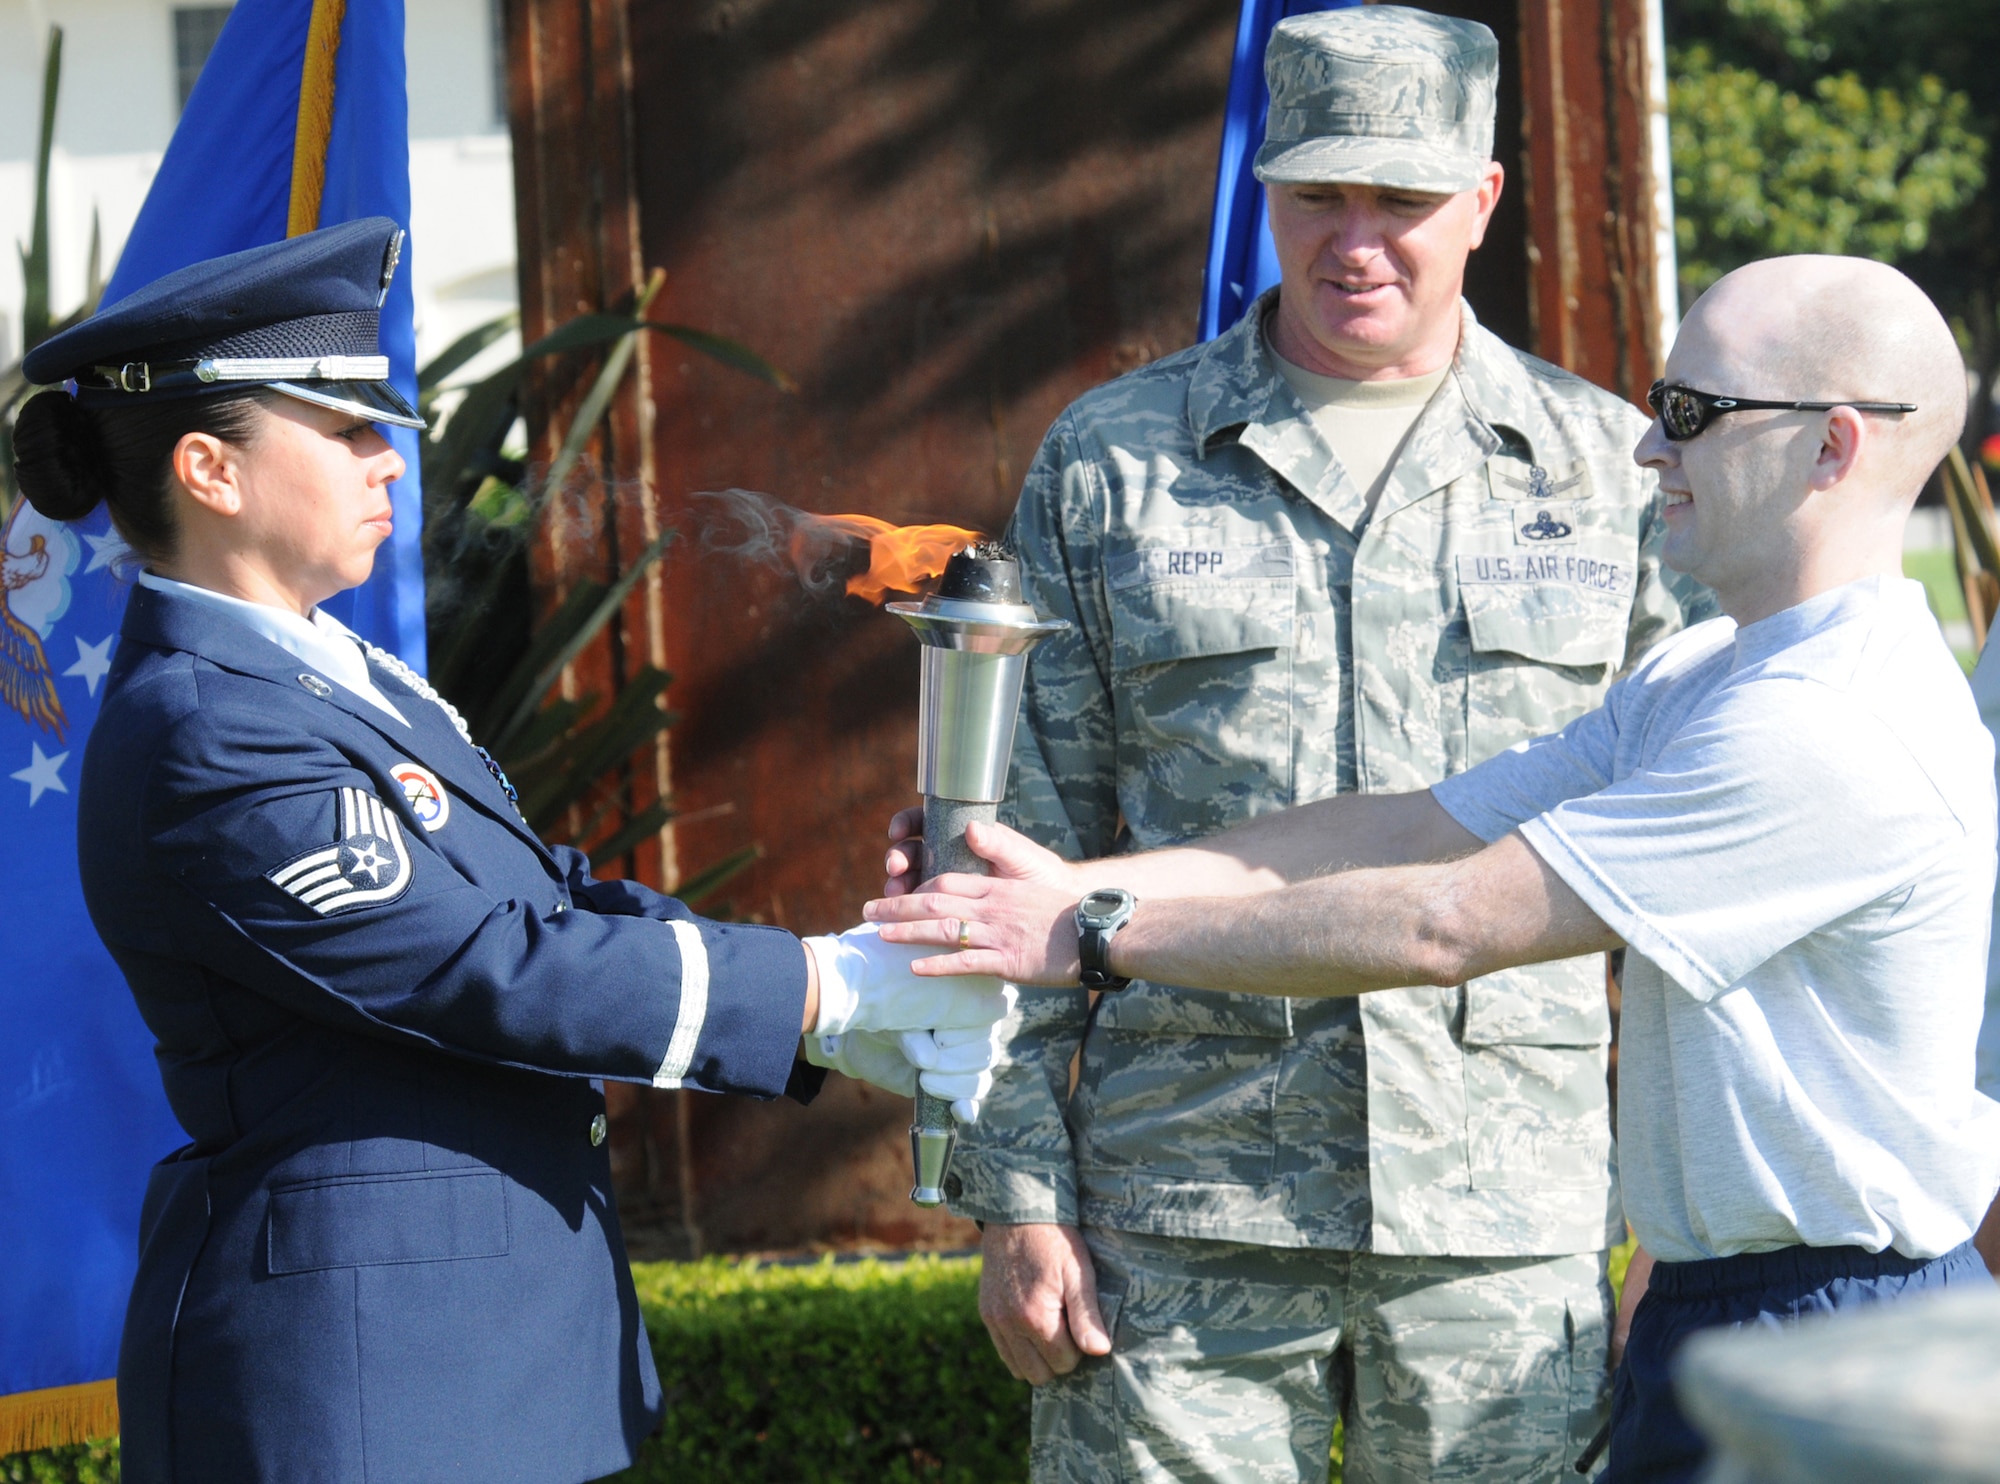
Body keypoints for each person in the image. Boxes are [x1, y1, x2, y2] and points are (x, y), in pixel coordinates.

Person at [869, 254, 2000, 1484]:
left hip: (1834, 1320)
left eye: (1688, 413)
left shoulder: (1828, 723)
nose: (1644, 450)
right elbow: (1411, 827)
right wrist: (1045, 881)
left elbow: (1445, 920)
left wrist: (1089, 933)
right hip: (1730, 1301)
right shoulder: (1705, 676)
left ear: (1830, 446)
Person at [12, 219, 1004, 1484]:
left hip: (469, 1365)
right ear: (210, 468)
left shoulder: (334, 674)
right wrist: (822, 991)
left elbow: (546, 894)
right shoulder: (208, 727)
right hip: (365, 1388)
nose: (389, 461)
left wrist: (837, 975)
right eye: (348, 429)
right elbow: (484, 967)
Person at [912, 7, 1709, 1481]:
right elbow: (1000, 849)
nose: (1359, 241)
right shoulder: (1119, 463)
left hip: (1503, 1214)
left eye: (1403, 200)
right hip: (1180, 1211)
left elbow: (1694, 880)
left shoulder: (1609, 472)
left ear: (1480, 201)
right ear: (1263, 186)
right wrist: (1016, 1196)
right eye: (1317, 194)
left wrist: (1683, 1217)